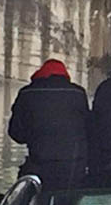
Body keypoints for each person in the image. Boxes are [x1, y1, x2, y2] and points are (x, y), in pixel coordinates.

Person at [8, 59, 91, 189]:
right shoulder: (78, 93)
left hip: (39, 165)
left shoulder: (27, 93)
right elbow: (88, 129)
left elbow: (16, 134)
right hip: (73, 168)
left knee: (30, 194)